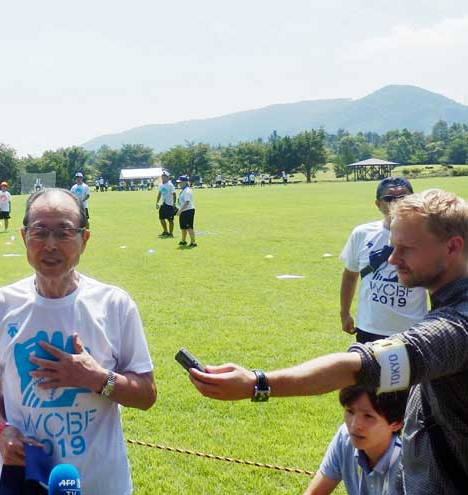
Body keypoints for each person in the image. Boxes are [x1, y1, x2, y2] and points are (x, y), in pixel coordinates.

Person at [189, 189, 468, 494]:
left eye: (407, 248)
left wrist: (257, 383)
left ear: (453, 247)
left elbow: (360, 366)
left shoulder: (458, 325)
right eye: (392, 246)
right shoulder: (446, 305)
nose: (392, 259)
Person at [0, 188, 156, 495]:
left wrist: (96, 378)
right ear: (25, 236)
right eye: (39, 231)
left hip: (101, 484)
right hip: (24, 481)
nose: (50, 244)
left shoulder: (115, 305)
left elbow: (146, 395)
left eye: (63, 232)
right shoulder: (0, 304)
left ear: (84, 239)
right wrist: (1, 431)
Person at [339, 177, 427, 343]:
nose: (397, 203)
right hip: (370, 328)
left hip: (413, 330)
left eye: (403, 197)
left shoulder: (427, 235)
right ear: (378, 204)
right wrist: (344, 313)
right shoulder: (362, 234)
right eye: (389, 198)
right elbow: (350, 276)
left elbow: (436, 283)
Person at [304, 387, 407, 495]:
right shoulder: (345, 438)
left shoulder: (409, 465)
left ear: (397, 423)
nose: (354, 425)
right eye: (350, 411)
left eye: (368, 416)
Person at [174, 175, 197, 247]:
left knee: (189, 227)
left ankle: (193, 242)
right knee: (183, 227)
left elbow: (187, 202)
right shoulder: (183, 190)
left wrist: (179, 211)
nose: (179, 183)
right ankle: (183, 241)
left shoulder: (187, 191)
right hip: (184, 211)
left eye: (180, 182)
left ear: (185, 182)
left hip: (188, 210)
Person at [155, 171, 176, 237]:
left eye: (165, 177)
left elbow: (174, 194)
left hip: (169, 204)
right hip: (163, 204)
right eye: (162, 177)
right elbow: (159, 194)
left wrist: (174, 203)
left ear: (167, 177)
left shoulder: (170, 185)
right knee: (161, 218)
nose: (163, 178)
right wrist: (157, 202)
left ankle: (171, 233)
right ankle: (165, 231)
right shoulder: (161, 185)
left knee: (170, 220)